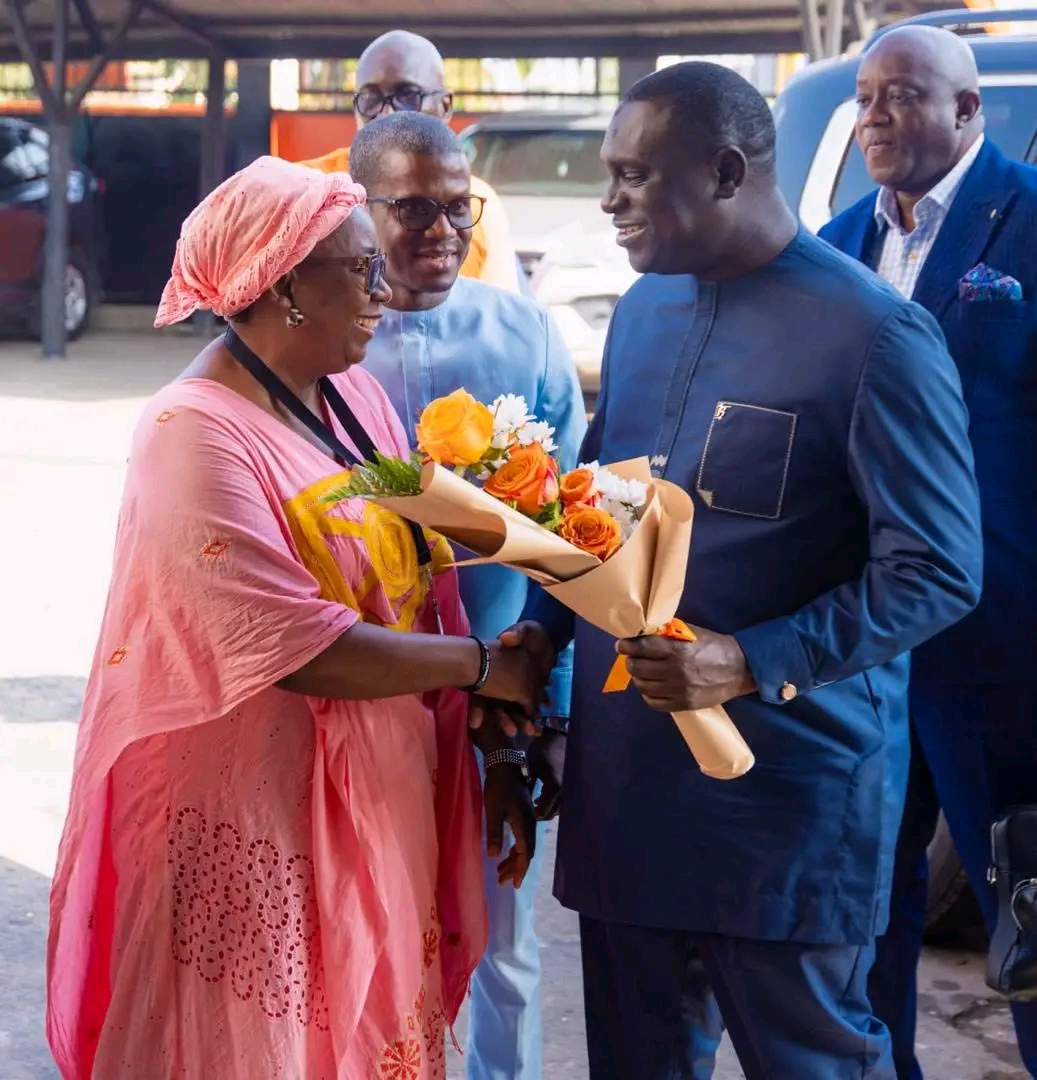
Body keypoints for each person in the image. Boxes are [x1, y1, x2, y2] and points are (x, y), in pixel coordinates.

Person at [500, 61, 984, 1080]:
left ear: (724, 172)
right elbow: (596, 512)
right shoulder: (642, 312)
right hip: (630, 797)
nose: (607, 201)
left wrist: (747, 659)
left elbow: (936, 570)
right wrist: (541, 641)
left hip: (785, 810)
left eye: (632, 176)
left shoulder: (874, 335)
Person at [45, 156, 542, 1080]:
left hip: (380, 784)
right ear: (282, 286)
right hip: (255, 812)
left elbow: (412, 573)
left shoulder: (352, 395)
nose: (384, 290)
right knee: (262, 1043)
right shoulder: (192, 431)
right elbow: (294, 644)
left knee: (369, 1029)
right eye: (360, 268)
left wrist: (496, 711)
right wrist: (481, 667)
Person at [350, 111, 587, 1080]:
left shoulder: (522, 331)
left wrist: (548, 710)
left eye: (458, 207)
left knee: (504, 947)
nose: (442, 231)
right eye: (413, 209)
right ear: (360, 208)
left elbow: (576, 537)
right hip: (357, 697)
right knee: (361, 937)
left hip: (498, 701)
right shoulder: (322, 341)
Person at [820, 25, 1037, 1080]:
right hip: (863, 641)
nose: (873, 116)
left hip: (1004, 640)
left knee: (1025, 907)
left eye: (900, 95)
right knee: (864, 905)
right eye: (864, 97)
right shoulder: (832, 243)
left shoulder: (1027, 220)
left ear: (966, 110)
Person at [300, 30, 523, 294]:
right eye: (370, 99)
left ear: (445, 106)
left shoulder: (478, 205)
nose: (386, 113)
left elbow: (499, 311)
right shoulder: (307, 189)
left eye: (407, 96)